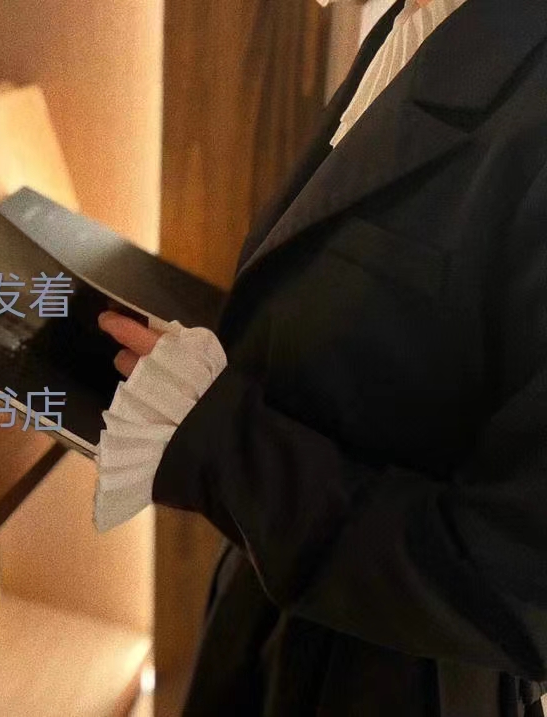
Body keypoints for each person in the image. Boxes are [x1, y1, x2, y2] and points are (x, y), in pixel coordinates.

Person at [97, 0, 547, 715]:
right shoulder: (409, 18)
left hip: (394, 682)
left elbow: (523, 582)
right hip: (267, 615)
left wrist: (228, 449)